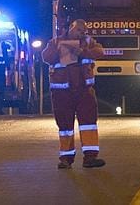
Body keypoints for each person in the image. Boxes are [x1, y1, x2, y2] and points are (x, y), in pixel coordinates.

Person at [42, 19, 105, 169]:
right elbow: (46, 57)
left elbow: (100, 52)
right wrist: (59, 51)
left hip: (84, 90)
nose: (81, 34)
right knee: (65, 126)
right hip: (62, 91)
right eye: (79, 30)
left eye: (83, 32)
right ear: (71, 28)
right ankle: (66, 158)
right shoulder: (56, 41)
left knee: (88, 124)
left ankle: (90, 158)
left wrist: (83, 52)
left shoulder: (88, 42)